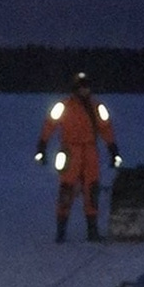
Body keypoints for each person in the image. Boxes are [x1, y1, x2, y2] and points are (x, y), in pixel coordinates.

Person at [35, 72, 122, 243]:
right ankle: (61, 232)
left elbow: (106, 129)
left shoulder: (97, 107)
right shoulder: (63, 106)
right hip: (70, 152)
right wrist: (42, 147)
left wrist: (113, 150)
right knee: (66, 189)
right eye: (81, 87)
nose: (84, 90)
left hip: (90, 152)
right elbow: (49, 125)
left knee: (92, 190)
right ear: (75, 88)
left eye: (87, 86)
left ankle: (92, 231)